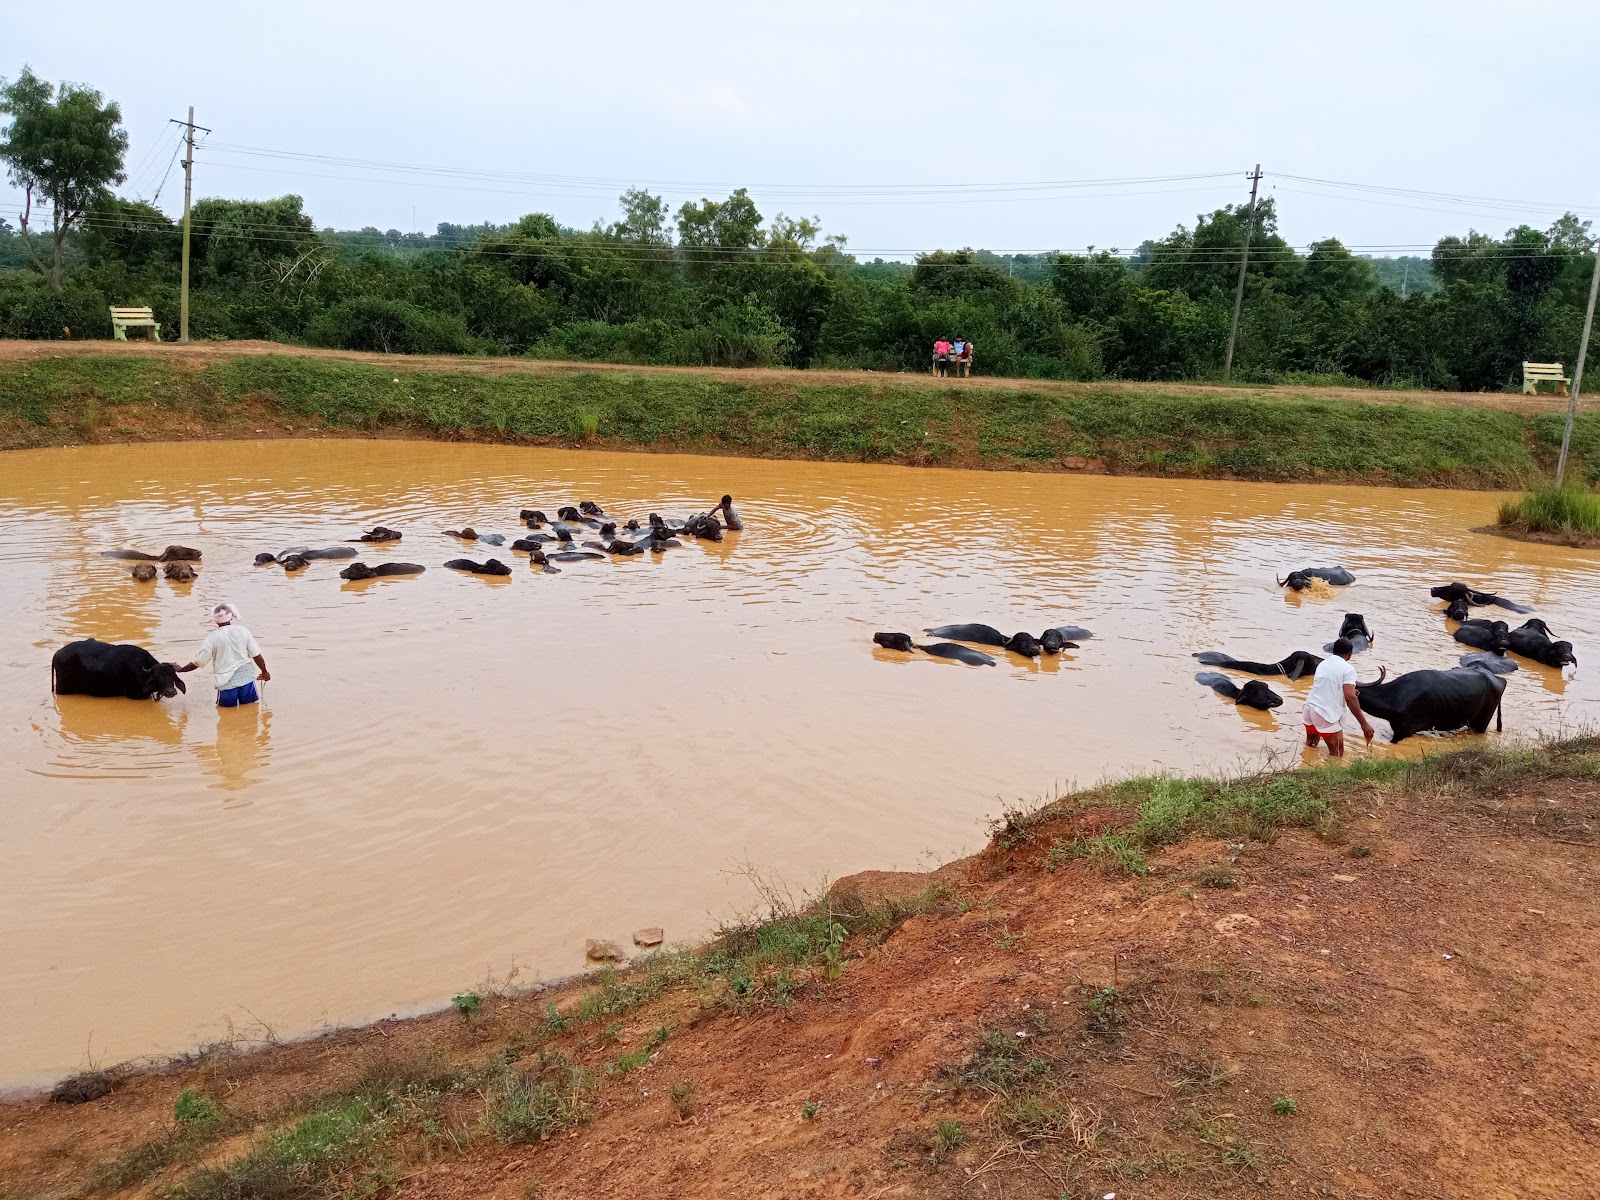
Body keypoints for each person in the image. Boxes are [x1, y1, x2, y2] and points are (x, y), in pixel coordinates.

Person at [176, 602, 271, 707]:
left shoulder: (212, 637)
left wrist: (181, 669)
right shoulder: (243, 631)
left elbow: (198, 662)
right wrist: (265, 672)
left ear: (215, 620)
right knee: (250, 711)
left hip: (226, 683)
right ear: (231, 617)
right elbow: (257, 656)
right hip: (246, 679)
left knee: (226, 715)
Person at [1302, 637, 1380, 757]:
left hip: (1309, 708)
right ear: (1350, 654)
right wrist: (1364, 724)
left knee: (1311, 747)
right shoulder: (1348, 669)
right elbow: (1350, 698)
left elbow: (1328, 688)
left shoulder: (1323, 664)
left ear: (1333, 651)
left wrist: (1350, 692)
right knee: (1337, 755)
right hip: (1325, 714)